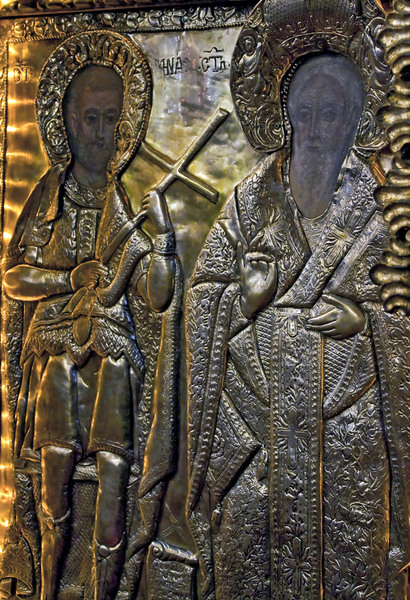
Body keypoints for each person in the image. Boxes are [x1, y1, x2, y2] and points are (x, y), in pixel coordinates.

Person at [186, 51, 409, 600]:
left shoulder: (382, 207)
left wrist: (367, 321)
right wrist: (243, 301)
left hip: (347, 445)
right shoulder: (249, 202)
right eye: (303, 113)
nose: (313, 129)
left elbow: (402, 309)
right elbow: (202, 299)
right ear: (285, 114)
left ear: (353, 119)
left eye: (328, 114)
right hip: (256, 440)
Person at [3, 59, 176, 600]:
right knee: (52, 489)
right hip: (56, 352)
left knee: (113, 488)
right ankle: (46, 591)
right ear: (69, 123)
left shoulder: (123, 205)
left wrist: (164, 239)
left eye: (112, 120)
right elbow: (12, 278)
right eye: (91, 119)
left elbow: (157, 295)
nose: (102, 133)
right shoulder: (47, 197)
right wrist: (67, 277)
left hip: (112, 358)